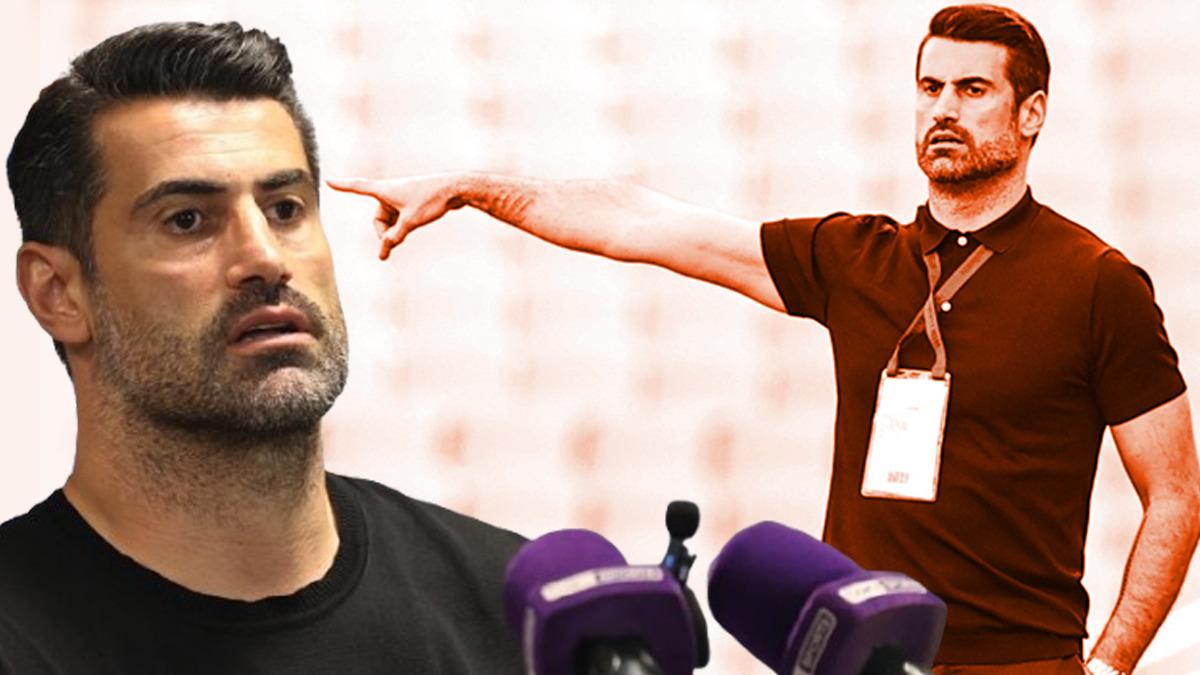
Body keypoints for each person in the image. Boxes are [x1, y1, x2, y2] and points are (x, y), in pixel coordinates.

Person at [329, 4, 1200, 674]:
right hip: (855, 651)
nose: (943, 108)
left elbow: (1174, 492)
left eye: (973, 91)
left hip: (1019, 663)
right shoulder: (856, 258)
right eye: (930, 87)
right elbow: (643, 221)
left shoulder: (1097, 282)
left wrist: (1110, 665)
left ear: (1031, 113)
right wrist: (473, 188)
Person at [1, 22, 526, 674]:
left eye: (285, 208)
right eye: (188, 219)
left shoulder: (511, 610)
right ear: (57, 293)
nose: (266, 258)